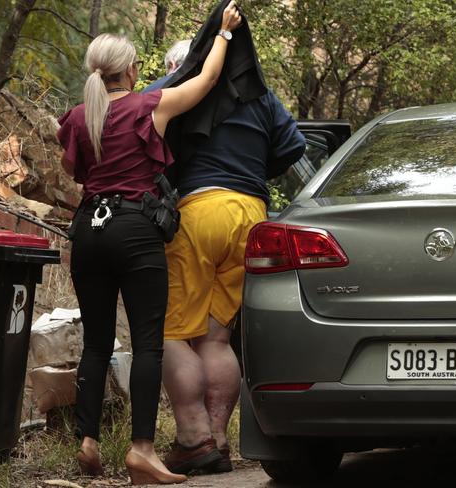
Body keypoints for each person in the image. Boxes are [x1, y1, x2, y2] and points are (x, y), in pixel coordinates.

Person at [55, 3, 242, 485]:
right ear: (133, 70)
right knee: (147, 345)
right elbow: (205, 82)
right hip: (135, 231)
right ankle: (141, 451)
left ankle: (88, 442)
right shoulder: (148, 106)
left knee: (96, 345)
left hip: (88, 233)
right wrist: (221, 34)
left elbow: (69, 170)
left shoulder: (77, 117)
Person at [155, 44, 307, 474]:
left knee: (169, 333)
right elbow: (293, 148)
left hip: (199, 211)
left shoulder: (177, 87)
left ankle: (192, 437)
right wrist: (252, 168)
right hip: (251, 216)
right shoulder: (260, 95)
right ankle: (219, 441)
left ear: (179, 65)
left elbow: (134, 121)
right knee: (215, 339)